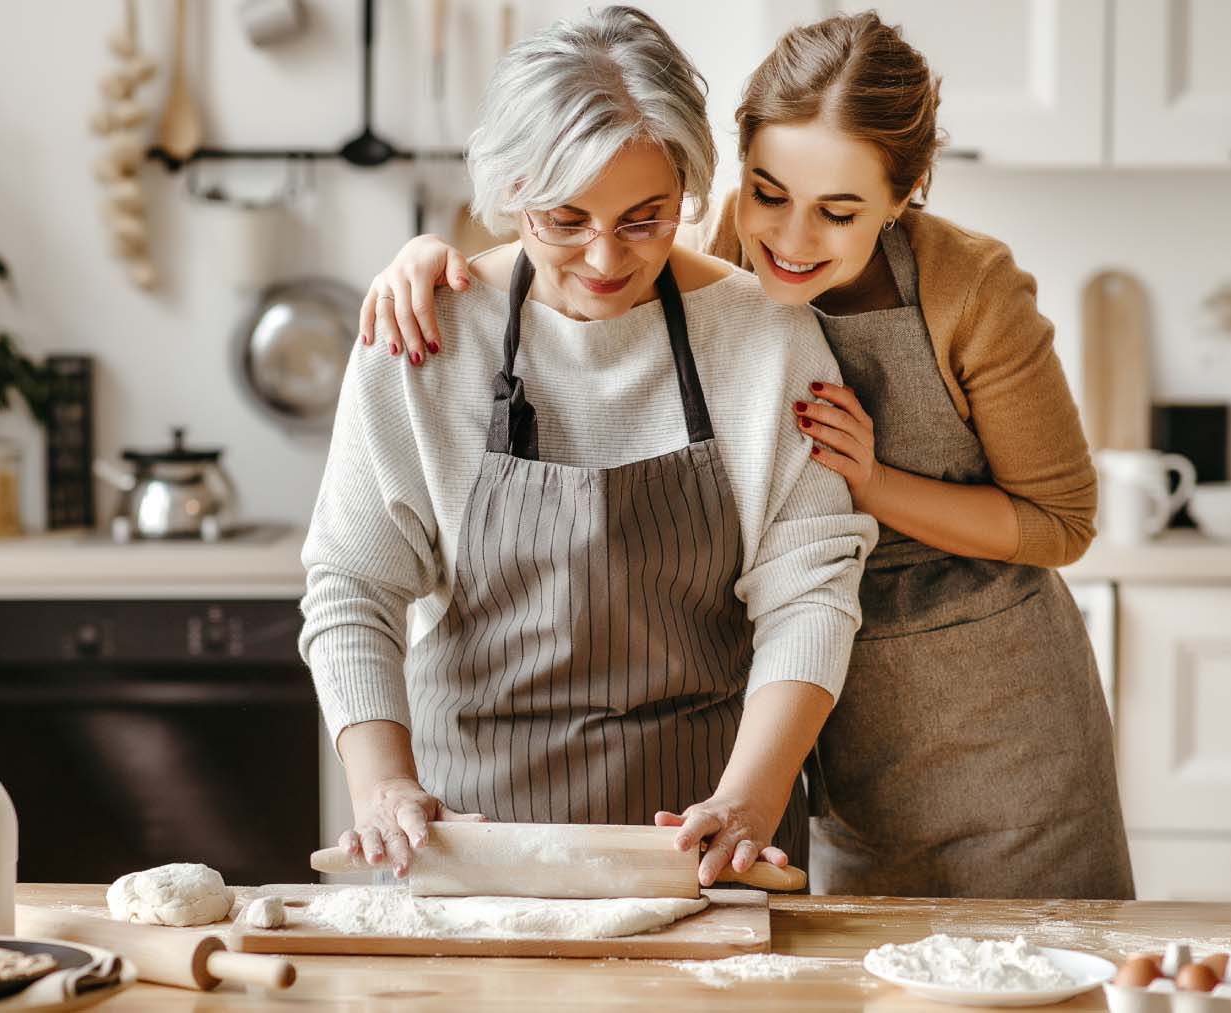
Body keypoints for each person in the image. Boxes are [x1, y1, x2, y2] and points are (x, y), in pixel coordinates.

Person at [356, 10, 1134, 899]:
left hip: (993, 718)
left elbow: (1060, 523)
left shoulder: (969, 291)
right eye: (769, 193)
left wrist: (871, 484)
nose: (793, 240)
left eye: (838, 212)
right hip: (824, 722)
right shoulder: (719, 258)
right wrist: (435, 263)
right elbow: (589, 239)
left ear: (907, 191)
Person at [300, 6, 876, 890]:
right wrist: (382, 787)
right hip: (471, 845)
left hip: (705, 844)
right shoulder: (424, 336)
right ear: (511, 193)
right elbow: (352, 582)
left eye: (647, 219)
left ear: (688, 188)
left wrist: (751, 801)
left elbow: (811, 591)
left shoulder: (766, 340)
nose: (606, 258)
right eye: (564, 221)